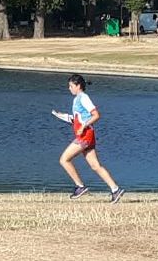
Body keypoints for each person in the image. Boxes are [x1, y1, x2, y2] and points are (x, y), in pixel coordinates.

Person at [51, 74, 125, 204]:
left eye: (71, 86)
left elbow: (96, 115)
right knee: (95, 166)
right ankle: (115, 190)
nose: (69, 88)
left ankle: (80, 187)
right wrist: (61, 116)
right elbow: (77, 119)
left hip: (85, 135)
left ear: (78, 86)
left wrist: (84, 126)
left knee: (64, 159)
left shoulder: (84, 98)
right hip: (86, 135)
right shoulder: (77, 99)